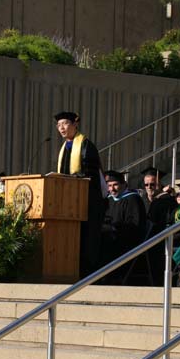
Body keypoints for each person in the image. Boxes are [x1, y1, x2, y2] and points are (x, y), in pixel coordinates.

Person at [54, 111, 105, 277]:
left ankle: (89, 273)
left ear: (75, 124)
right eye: (58, 125)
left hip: (87, 201)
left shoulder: (86, 145)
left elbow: (90, 176)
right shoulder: (65, 147)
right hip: (70, 203)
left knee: (87, 239)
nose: (61, 128)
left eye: (65, 124)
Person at [100, 171, 147, 280]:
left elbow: (135, 226)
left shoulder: (133, 199)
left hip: (127, 241)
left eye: (115, 185)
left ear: (124, 184)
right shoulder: (109, 200)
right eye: (109, 186)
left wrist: (113, 228)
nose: (112, 189)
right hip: (111, 236)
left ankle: (108, 277)